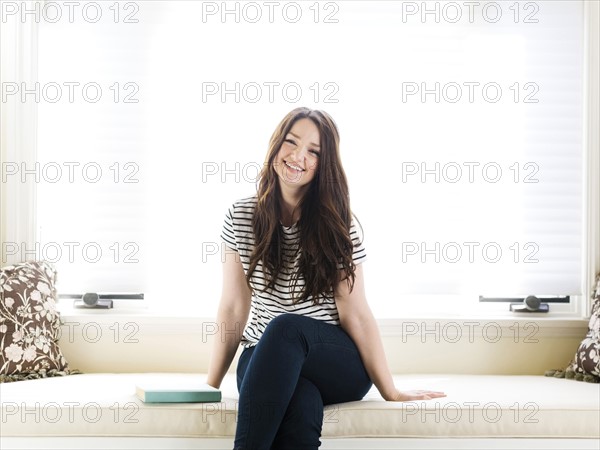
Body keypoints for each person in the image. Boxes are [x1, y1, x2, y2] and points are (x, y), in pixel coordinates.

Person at [207, 107, 446, 449]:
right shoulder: (241, 216)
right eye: (291, 142)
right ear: (275, 146)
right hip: (262, 355)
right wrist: (210, 385)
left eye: (314, 151)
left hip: (332, 358)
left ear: (324, 164)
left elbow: (356, 313)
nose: (298, 156)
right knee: (302, 405)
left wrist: (389, 389)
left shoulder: (338, 225)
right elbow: (232, 307)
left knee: (286, 327)